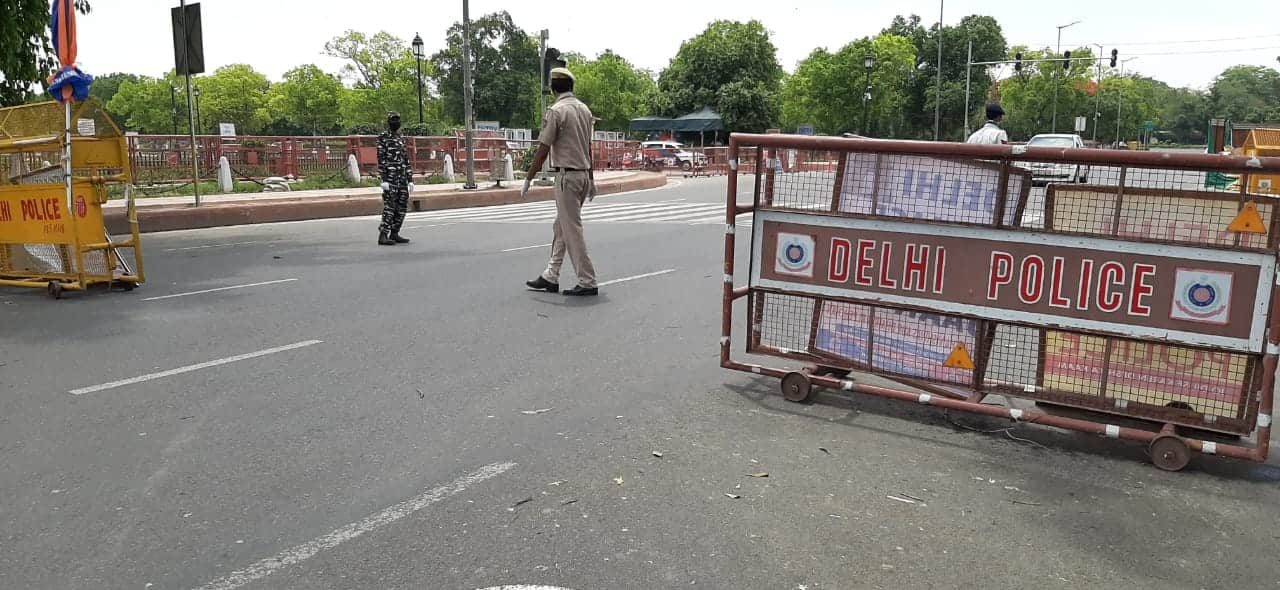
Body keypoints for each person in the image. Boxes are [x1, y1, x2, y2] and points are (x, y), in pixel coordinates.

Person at [521, 67, 598, 297]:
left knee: (572, 230)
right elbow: (588, 147)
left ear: (553, 88)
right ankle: (551, 275)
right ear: (571, 86)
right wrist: (592, 178)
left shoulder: (556, 111)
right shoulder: (584, 110)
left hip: (567, 177)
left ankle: (587, 280)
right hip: (583, 175)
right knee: (561, 227)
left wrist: (528, 177)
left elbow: (543, 148)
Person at [377, 111, 414, 245]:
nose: (396, 122)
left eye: (397, 119)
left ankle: (394, 232)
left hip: (402, 178)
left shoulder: (401, 138)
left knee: (402, 206)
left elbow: (405, 159)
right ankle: (383, 234)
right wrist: (384, 179)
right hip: (391, 179)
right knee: (390, 207)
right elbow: (381, 159)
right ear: (388, 121)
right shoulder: (383, 137)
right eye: (393, 119)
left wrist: (410, 179)